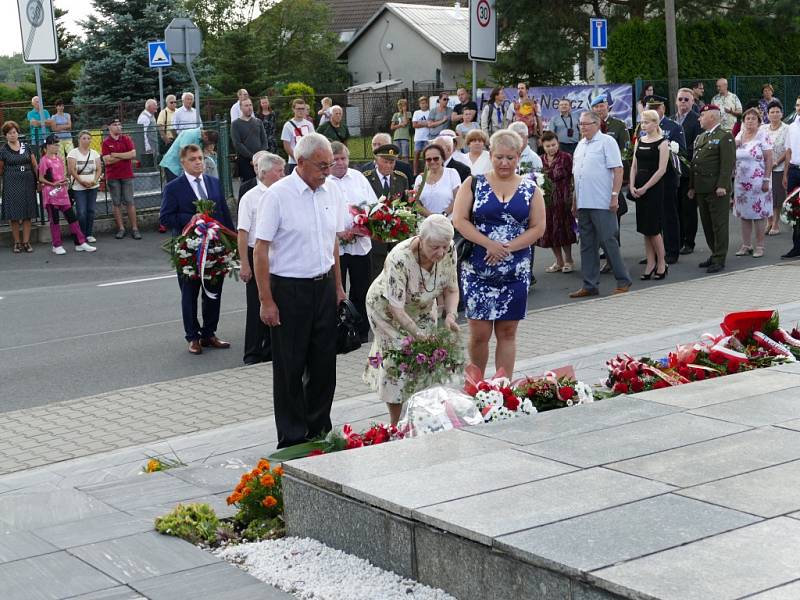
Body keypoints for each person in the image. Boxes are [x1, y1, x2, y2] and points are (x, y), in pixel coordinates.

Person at [253, 133, 347, 448]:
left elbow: (332, 240)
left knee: (324, 365)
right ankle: (292, 437)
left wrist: (339, 287)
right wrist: (266, 300)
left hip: (323, 286)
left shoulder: (330, 191)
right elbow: (261, 249)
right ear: (301, 161)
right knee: (290, 367)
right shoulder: (277, 195)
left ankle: (319, 428)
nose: (327, 172)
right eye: (322, 166)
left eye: (330, 165)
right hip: (289, 289)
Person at [453, 129, 545, 377]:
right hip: (477, 268)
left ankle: (502, 389)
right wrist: (488, 244)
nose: (504, 163)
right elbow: (459, 220)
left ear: (518, 157)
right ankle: (477, 385)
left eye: (510, 158)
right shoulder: (473, 183)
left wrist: (506, 248)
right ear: (490, 155)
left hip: (515, 270)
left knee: (507, 332)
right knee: (479, 333)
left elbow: (538, 227)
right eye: (499, 157)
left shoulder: (530, 189)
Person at [364, 214, 459, 424]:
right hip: (387, 311)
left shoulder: (449, 249)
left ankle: (420, 416)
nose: (441, 252)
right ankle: (396, 423)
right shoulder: (399, 257)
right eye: (435, 247)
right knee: (397, 359)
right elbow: (396, 308)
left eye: (444, 246)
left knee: (426, 360)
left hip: (422, 306)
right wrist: (418, 335)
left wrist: (450, 315)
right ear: (420, 238)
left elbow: (452, 288)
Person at [160, 143, 234, 354]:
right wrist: (190, 219)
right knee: (189, 294)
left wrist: (230, 241)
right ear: (183, 162)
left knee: (213, 292)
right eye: (193, 159)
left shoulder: (214, 183)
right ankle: (192, 336)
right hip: (188, 250)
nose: (198, 162)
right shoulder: (174, 187)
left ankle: (209, 333)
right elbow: (165, 217)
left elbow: (223, 212)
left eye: (200, 158)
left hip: (214, 247)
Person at [569, 111, 632, 298]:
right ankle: (589, 284)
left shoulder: (607, 142)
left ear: (596, 124)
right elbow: (577, 176)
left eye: (586, 124)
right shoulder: (580, 145)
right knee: (587, 245)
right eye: (580, 124)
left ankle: (623, 280)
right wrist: (574, 201)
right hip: (584, 202)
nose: (582, 127)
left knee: (608, 241)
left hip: (602, 201)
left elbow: (618, 170)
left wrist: (614, 196)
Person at [238, 152, 285, 365]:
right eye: (279, 171)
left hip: (279, 254)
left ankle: (272, 348)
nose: (284, 174)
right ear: (265, 173)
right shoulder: (250, 197)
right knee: (257, 301)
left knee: (277, 301)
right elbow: (243, 232)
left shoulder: (284, 194)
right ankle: (253, 352)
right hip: (256, 253)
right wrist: (245, 264)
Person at [329, 141, 377, 343]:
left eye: (343, 158)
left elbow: (374, 206)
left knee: (361, 288)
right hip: (334, 248)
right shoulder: (324, 182)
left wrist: (363, 226)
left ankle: (361, 332)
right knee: (334, 290)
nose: (340, 163)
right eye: (336, 159)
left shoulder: (358, 178)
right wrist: (339, 232)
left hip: (360, 246)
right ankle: (336, 331)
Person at [688, 104, 736, 272]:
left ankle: (719, 258)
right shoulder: (701, 138)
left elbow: (727, 164)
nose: (699, 118)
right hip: (701, 188)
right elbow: (695, 163)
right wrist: (692, 186)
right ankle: (714, 252)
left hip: (716, 188)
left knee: (719, 224)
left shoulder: (725, 136)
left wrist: (723, 185)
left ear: (712, 117)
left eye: (702, 116)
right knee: (707, 224)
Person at [39, 135, 96, 255]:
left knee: (73, 219)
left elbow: (62, 175)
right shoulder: (44, 160)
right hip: (51, 195)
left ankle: (80, 243)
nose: (57, 147)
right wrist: (53, 183)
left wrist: (65, 181)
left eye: (58, 144)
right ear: (48, 146)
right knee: (54, 221)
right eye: (55, 144)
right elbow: (41, 178)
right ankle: (57, 245)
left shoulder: (59, 159)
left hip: (63, 195)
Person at [646, 95, 686, 264]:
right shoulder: (643, 128)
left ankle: (671, 251)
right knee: (652, 216)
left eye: (657, 107)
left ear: (663, 108)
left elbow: (681, 152)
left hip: (666, 178)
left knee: (669, 216)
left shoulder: (673, 127)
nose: (654, 111)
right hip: (648, 177)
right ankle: (654, 252)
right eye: (651, 107)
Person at [629, 110, 669, 279]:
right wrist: (631, 185)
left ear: (655, 123)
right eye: (642, 122)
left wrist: (646, 187)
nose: (643, 125)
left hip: (653, 189)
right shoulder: (640, 140)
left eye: (646, 122)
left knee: (654, 229)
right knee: (645, 229)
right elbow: (634, 165)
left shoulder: (663, 143)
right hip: (639, 187)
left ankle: (662, 263)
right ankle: (650, 262)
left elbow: (662, 170)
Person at [362, 143, 409, 280]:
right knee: (375, 271)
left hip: (396, 233)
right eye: (386, 162)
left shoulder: (401, 178)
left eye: (392, 162)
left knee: (398, 269)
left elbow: (406, 204)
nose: (389, 165)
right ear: (376, 160)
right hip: (375, 234)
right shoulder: (366, 178)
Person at [733, 107, 774, 259]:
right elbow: (732, 150)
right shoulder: (739, 135)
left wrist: (766, 179)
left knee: (758, 215)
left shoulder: (763, 135)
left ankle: (760, 246)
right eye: (747, 118)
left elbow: (769, 158)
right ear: (743, 121)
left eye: (753, 119)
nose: (750, 121)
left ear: (758, 122)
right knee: (744, 214)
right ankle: (746, 244)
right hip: (741, 182)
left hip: (758, 181)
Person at [538, 131, 576, 273]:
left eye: (553, 145)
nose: (551, 148)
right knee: (551, 232)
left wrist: (573, 197)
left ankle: (569, 260)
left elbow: (574, 177)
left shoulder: (566, 157)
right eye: (548, 146)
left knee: (564, 231)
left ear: (558, 143)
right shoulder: (540, 159)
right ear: (543, 145)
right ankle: (558, 261)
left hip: (563, 199)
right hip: (547, 201)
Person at [0, 121, 38, 253]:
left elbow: (34, 165)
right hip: (11, 183)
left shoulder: (26, 147)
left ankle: (26, 242)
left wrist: (38, 180)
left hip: (28, 182)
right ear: (6, 135)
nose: (12, 135)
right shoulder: (3, 150)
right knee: (14, 215)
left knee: (28, 214)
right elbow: (0, 170)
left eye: (14, 132)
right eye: (9, 133)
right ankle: (17, 243)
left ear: (18, 133)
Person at [674, 88, 703, 255]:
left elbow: (697, 144)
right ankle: (676, 240)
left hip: (688, 172)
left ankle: (688, 242)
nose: (683, 102)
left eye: (686, 99)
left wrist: (678, 152)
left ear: (692, 102)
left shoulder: (696, 120)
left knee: (688, 209)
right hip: (672, 172)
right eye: (680, 99)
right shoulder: (671, 119)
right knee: (675, 208)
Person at [102, 118, 140, 240]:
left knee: (130, 201)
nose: (118, 127)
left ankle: (135, 229)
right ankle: (121, 229)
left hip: (127, 175)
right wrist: (125, 156)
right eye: (115, 125)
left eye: (119, 124)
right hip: (113, 176)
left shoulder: (126, 139)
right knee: (116, 203)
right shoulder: (106, 143)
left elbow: (133, 154)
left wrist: (116, 155)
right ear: (109, 128)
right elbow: (107, 160)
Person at [67, 130, 102, 244]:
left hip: (93, 186)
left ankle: (89, 234)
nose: (87, 140)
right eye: (84, 138)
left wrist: (95, 180)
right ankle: (81, 234)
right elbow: (71, 170)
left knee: (91, 210)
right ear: (79, 140)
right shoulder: (73, 153)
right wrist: (81, 181)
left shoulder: (94, 153)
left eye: (88, 138)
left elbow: (99, 169)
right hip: (79, 187)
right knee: (81, 212)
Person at [762, 100, 789, 236]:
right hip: (764, 168)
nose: (775, 114)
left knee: (777, 196)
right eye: (772, 112)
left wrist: (776, 162)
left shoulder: (786, 129)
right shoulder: (763, 128)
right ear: (767, 114)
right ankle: (769, 221)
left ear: (782, 113)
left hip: (779, 167)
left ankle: (776, 223)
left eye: (777, 111)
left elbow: (787, 150)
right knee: (766, 195)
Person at [415, 143, 461, 217]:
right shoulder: (420, 178)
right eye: (428, 159)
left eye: (436, 158)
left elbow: (457, 198)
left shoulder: (452, 173)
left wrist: (443, 215)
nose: (432, 161)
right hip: (425, 223)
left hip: (447, 222)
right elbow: (416, 203)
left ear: (442, 158)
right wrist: (431, 217)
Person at [781, 96, 800, 259]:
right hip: (794, 171)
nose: (798, 108)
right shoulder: (792, 127)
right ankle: (797, 246)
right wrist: (786, 173)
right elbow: (788, 152)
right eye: (797, 105)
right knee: (794, 210)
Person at [231, 97, 268, 182]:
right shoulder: (235, 124)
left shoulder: (258, 122)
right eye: (246, 105)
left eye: (250, 105)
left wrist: (260, 156)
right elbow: (237, 144)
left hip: (261, 160)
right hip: (245, 161)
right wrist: (252, 157)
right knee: (248, 185)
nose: (249, 107)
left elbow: (264, 140)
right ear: (241, 108)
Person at [281, 98, 315, 174]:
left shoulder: (309, 124)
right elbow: (286, 145)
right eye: (298, 108)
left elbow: (313, 142)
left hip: (308, 161)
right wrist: (297, 158)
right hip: (293, 162)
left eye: (302, 109)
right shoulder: (288, 125)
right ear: (293, 109)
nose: (300, 111)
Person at [507, 82, 542, 150]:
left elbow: (539, 120)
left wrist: (541, 137)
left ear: (527, 90)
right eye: (518, 88)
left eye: (522, 88)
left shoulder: (535, 104)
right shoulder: (513, 105)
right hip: (517, 138)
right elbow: (509, 122)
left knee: (532, 158)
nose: (520, 90)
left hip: (531, 137)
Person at [137, 99, 159, 167]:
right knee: (150, 166)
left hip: (154, 146)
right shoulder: (144, 117)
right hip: (149, 148)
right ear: (148, 107)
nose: (156, 107)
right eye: (154, 105)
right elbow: (143, 134)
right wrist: (147, 147)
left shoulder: (151, 115)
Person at [412, 96, 431, 176]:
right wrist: (425, 124)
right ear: (419, 104)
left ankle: (426, 172)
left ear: (427, 104)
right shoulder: (416, 113)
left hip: (427, 137)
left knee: (426, 155)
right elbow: (414, 125)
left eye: (425, 103)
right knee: (416, 155)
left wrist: (420, 123)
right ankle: (415, 173)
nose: (424, 105)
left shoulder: (430, 112)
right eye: (422, 103)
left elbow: (431, 124)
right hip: (418, 138)